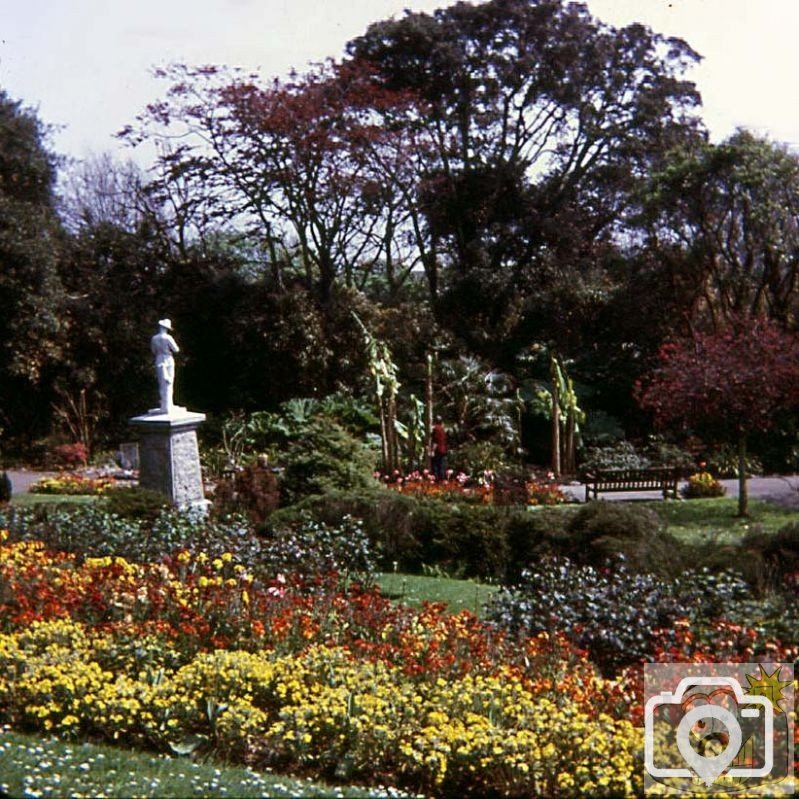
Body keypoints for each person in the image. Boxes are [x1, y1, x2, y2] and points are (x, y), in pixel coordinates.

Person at [151, 318, 180, 413]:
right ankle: (167, 405)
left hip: (159, 359)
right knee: (169, 382)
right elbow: (176, 349)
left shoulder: (154, 338)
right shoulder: (168, 338)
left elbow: (153, 350)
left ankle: (166, 404)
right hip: (168, 359)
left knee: (162, 383)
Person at [430, 416, 448, 481]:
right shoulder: (443, 429)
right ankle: (442, 480)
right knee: (442, 466)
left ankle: (437, 480)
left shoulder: (436, 429)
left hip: (437, 450)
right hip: (443, 450)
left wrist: (432, 451)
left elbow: (435, 441)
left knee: (435, 467)